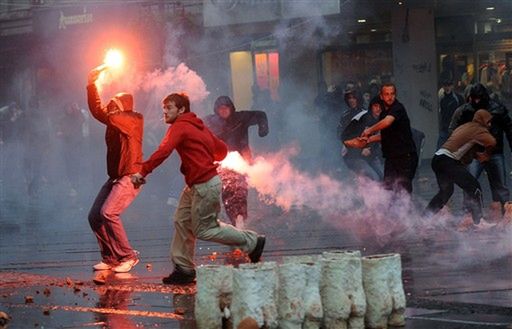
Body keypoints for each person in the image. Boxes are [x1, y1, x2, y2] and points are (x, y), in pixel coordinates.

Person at [131, 93, 265, 285]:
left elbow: (164, 151)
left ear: (182, 109)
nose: (165, 112)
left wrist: (142, 172)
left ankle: (252, 242)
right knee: (182, 221)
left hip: (204, 184)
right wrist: (201, 156)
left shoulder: (180, 126)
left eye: (169, 107)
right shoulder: (198, 125)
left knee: (205, 229)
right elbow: (221, 150)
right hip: (197, 184)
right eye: (164, 108)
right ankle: (184, 269)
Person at [86, 67, 143, 273]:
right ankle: (110, 257)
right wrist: (92, 84)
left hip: (130, 176)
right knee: (95, 216)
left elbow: (103, 114)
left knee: (108, 212)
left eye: (113, 105)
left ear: (122, 107)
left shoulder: (133, 119)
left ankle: (128, 255)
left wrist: (94, 87)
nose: (109, 108)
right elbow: (98, 113)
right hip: (116, 177)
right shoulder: (115, 123)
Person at [203, 95, 269, 228]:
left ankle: (240, 219)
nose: (223, 111)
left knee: (240, 190)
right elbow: (196, 129)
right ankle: (234, 219)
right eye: (220, 109)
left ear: (231, 108)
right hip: (222, 163)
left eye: (226, 108)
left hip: (242, 162)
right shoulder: (210, 122)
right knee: (227, 191)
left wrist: (263, 129)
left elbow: (261, 115)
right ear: (216, 110)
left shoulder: (241, 118)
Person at [449, 83, 512, 219]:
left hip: (493, 152)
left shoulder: (497, 109)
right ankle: (469, 215)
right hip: (476, 153)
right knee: (469, 182)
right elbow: (456, 130)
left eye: (479, 99)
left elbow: (509, 129)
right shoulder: (466, 110)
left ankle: (504, 215)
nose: (476, 101)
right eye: (474, 98)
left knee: (500, 185)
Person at [425, 110, 496, 230]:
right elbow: (492, 142)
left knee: (446, 192)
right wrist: (486, 154)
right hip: (448, 160)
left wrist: (476, 154)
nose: (489, 125)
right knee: (475, 187)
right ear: (482, 120)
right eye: (488, 122)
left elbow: (462, 146)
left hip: (438, 159)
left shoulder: (464, 127)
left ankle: (425, 219)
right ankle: (479, 222)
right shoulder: (478, 128)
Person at [360, 83, 418, 194]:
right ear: (381, 96)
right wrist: (369, 140)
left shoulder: (398, 108)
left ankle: (406, 211)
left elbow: (387, 122)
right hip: (391, 157)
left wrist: (369, 131)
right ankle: (391, 211)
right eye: (386, 94)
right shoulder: (384, 113)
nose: (390, 97)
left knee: (403, 190)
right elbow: (386, 135)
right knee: (388, 189)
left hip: (405, 156)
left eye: (392, 94)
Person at [342, 96, 384, 181]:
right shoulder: (361, 118)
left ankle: (381, 194)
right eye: (376, 106)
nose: (378, 109)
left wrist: (371, 150)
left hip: (370, 156)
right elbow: (345, 138)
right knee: (373, 178)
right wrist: (361, 150)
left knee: (383, 177)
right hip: (353, 156)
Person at [437, 80, 464, 148]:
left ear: (452, 86)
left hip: (455, 129)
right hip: (446, 128)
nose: (447, 87)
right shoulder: (442, 99)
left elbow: (463, 112)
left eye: (449, 85)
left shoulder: (458, 98)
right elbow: (442, 113)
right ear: (443, 87)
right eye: (445, 85)